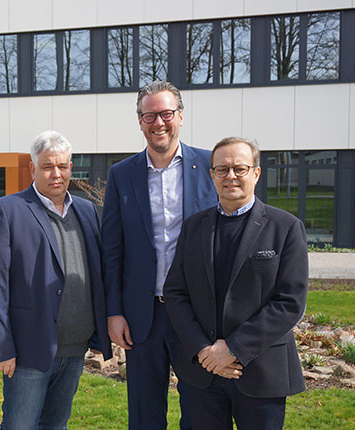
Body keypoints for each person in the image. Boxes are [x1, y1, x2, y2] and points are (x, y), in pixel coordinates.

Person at [164, 137, 307, 429]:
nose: (230, 176)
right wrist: (204, 350)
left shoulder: (286, 227)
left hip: (260, 372)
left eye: (239, 168)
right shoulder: (194, 227)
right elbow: (176, 292)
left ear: (255, 173)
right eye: (222, 169)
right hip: (202, 373)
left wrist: (232, 349)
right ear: (211, 175)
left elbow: (290, 301)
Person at [101, 80, 218, 429]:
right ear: (140, 121)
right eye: (149, 115)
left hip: (196, 314)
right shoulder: (121, 175)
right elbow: (112, 249)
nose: (159, 123)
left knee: (200, 411)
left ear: (180, 117)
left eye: (166, 113)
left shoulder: (211, 167)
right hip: (142, 316)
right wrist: (114, 312)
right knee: (145, 413)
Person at [0, 130, 112, 429]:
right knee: (20, 425)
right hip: (28, 348)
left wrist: (101, 333)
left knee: (56, 424)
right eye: (48, 166)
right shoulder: (7, 210)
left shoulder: (87, 211)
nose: (56, 174)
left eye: (62, 166)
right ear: (33, 169)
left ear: (71, 169)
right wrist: (2, 347)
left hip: (76, 348)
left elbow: (98, 275)